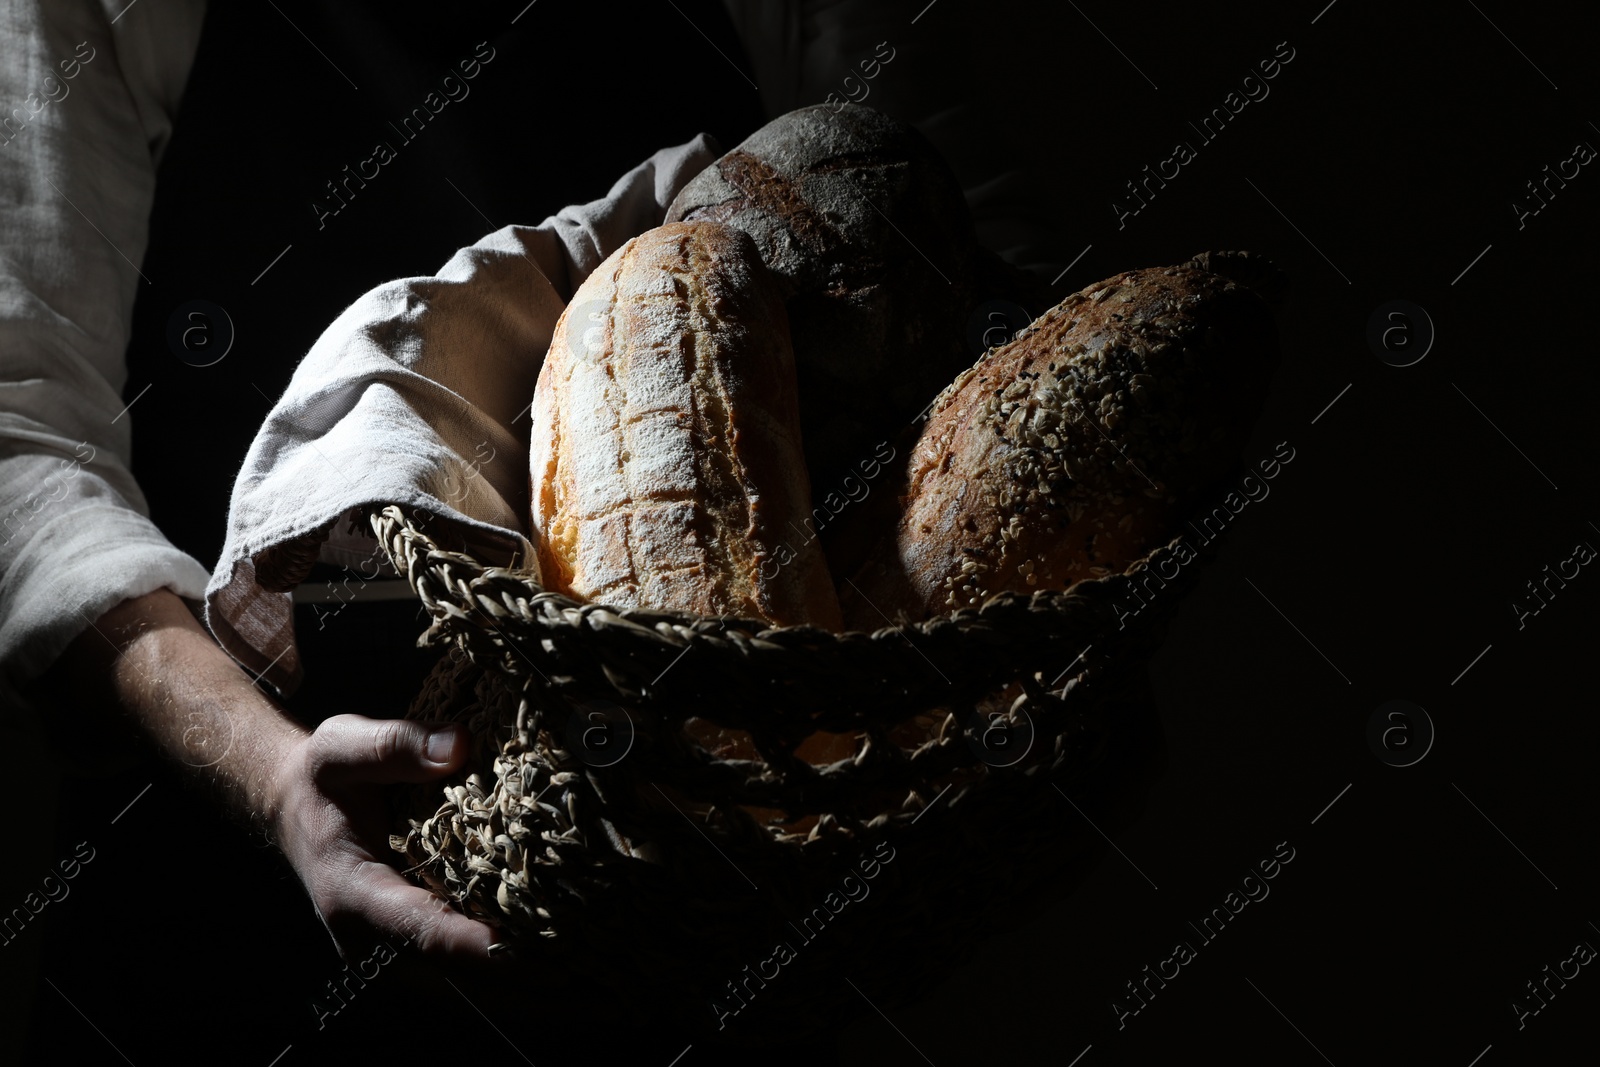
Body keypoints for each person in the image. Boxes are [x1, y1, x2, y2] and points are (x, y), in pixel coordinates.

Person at [3, 1, 1059, 1059]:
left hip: (694, 891)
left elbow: (987, 287)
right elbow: (24, 444)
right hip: (226, 904)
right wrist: (273, 776)